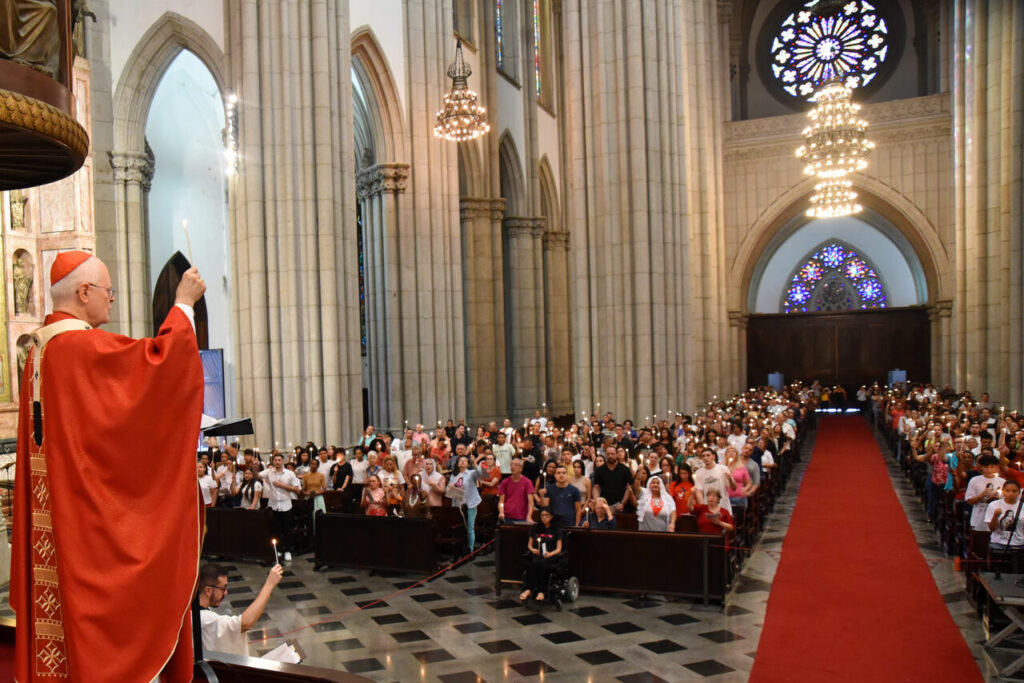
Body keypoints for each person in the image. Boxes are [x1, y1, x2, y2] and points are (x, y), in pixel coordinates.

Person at [11, 251, 206, 682]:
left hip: (60, 531)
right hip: (89, 542)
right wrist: (185, 304)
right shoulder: (80, 347)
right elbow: (162, 368)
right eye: (108, 291)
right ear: (84, 293)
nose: (112, 300)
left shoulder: (38, 353)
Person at [197, 562, 284, 656]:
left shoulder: (197, 608)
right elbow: (245, 623)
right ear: (208, 590)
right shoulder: (203, 619)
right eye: (223, 588)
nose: (226, 593)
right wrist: (269, 585)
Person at [260, 453, 302, 560]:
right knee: (276, 529)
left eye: (279, 460)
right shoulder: (269, 472)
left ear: (282, 461)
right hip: (274, 505)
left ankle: (288, 550)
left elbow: (297, 490)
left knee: (287, 529)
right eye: (275, 460)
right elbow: (257, 475)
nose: (277, 462)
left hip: (286, 505)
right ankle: (278, 549)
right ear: (273, 461)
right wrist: (255, 465)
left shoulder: (289, 474)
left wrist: (283, 486)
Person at [520, 508, 562, 605]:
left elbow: (559, 549)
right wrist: (533, 550)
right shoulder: (535, 528)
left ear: (551, 517)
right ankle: (529, 589)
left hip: (550, 555)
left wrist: (550, 554)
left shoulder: (556, 530)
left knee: (542, 563)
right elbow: (529, 545)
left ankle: (541, 591)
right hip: (537, 554)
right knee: (533, 563)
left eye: (546, 515)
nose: (544, 518)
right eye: (542, 515)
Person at [446, 453, 485, 552]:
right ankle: (461, 548)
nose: (462, 462)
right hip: (457, 504)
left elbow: (481, 473)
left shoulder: (471, 473)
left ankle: (470, 549)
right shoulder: (454, 475)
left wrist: (475, 463)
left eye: (465, 461)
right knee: (460, 528)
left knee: (469, 528)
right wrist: (450, 487)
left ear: (468, 464)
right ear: (457, 464)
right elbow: (447, 490)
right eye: (460, 461)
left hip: (470, 504)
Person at [537, 464, 583, 528]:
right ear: (555, 475)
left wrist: (577, 525)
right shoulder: (549, 489)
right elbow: (545, 507)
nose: (561, 475)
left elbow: (578, 510)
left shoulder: (574, 490)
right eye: (558, 473)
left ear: (567, 475)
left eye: (564, 473)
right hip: (554, 524)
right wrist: (541, 496)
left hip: (569, 523)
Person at [499, 457, 536, 523]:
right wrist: (501, 512)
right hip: (507, 516)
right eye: (512, 464)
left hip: (521, 516)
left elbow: (530, 502)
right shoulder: (505, 482)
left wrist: (529, 516)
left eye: (516, 465)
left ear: (521, 468)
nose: (513, 466)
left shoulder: (527, 482)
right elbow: (501, 501)